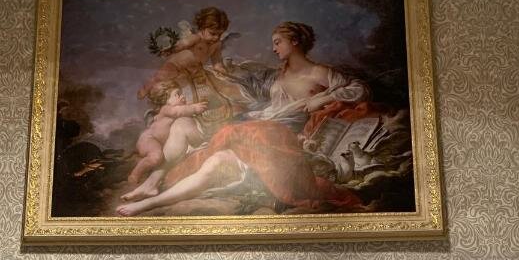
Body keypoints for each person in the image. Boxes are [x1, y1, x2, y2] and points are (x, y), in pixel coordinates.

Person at [116, 21, 369, 217]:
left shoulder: (319, 72)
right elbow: (269, 104)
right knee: (194, 134)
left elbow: (359, 89)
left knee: (222, 147)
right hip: (265, 124)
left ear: (294, 41)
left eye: (278, 42)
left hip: (281, 134)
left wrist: (322, 99)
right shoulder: (279, 76)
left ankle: (151, 196)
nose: (274, 48)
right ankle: (152, 185)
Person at [122, 85, 207, 200]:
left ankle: (150, 186)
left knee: (158, 158)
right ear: (165, 100)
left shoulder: (176, 108)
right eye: (177, 94)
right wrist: (194, 108)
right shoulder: (166, 109)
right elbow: (178, 112)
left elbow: (182, 112)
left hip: (156, 141)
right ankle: (135, 174)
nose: (182, 96)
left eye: (181, 93)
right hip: (149, 139)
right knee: (156, 157)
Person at [138, 7, 230, 101]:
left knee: (184, 90)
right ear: (202, 28)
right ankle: (145, 89)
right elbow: (182, 45)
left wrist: (220, 69)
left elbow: (217, 60)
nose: (216, 37)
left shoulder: (217, 45)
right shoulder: (196, 38)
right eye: (212, 34)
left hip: (191, 71)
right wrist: (170, 49)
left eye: (219, 35)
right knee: (159, 78)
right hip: (176, 65)